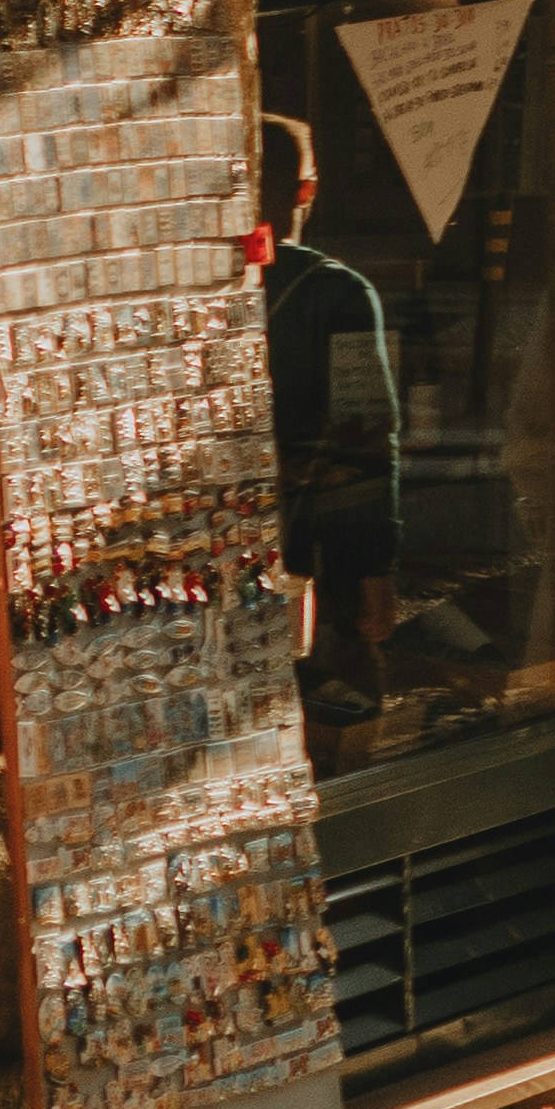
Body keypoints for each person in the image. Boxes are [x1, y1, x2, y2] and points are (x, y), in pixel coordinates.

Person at [251, 118, 405, 736]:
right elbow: (367, 439)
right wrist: (377, 573)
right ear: (306, 191)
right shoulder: (339, 293)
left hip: (221, 556)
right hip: (316, 559)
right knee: (337, 720)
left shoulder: (200, 284)